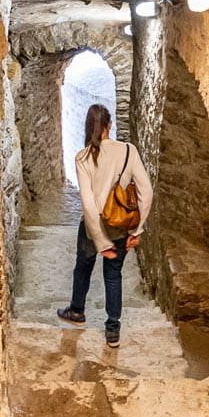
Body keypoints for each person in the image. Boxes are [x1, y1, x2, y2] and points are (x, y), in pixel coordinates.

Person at [57, 103, 153, 348]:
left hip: (92, 228)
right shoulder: (129, 151)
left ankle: (77, 311)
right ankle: (112, 329)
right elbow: (146, 192)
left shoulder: (83, 157)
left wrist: (99, 241)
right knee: (113, 275)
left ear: (88, 128)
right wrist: (137, 229)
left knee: (83, 267)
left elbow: (89, 205)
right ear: (110, 125)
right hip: (120, 225)